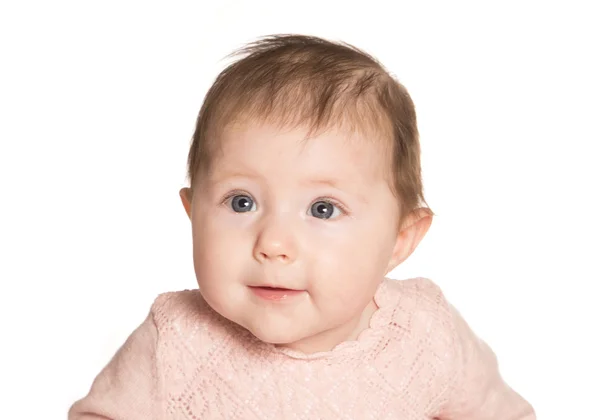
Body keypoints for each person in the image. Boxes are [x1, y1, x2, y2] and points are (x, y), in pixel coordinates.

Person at [69, 34, 535, 419]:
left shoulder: (424, 335)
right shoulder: (176, 341)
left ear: (400, 239)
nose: (273, 244)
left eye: (323, 209)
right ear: (193, 214)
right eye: (242, 201)